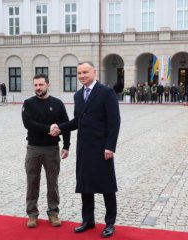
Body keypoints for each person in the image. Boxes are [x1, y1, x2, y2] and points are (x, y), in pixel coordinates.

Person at [50, 61, 121, 238]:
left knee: (107, 186)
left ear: (94, 72)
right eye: (79, 73)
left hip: (102, 148)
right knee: (85, 185)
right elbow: (77, 121)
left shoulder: (106, 92)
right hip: (84, 147)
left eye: (85, 72)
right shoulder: (78, 95)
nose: (81, 76)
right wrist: (61, 127)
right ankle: (88, 220)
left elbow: (114, 122)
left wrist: (110, 146)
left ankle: (110, 223)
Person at [22, 73, 70, 228]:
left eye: (41, 84)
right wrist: (48, 128)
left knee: (52, 183)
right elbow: (28, 124)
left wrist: (67, 145)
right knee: (32, 182)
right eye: (35, 85)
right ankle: (32, 214)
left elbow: (66, 125)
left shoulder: (57, 103)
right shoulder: (28, 103)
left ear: (47, 85)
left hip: (52, 149)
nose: (38, 88)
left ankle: (53, 213)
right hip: (33, 149)